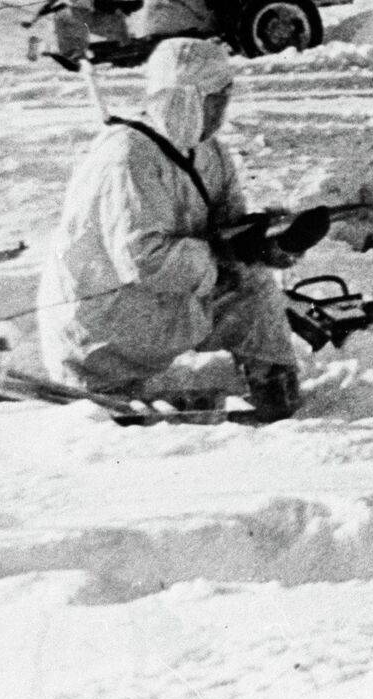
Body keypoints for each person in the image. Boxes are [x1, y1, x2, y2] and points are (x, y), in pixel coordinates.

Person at [37, 38, 305, 421]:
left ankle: (274, 391)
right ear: (186, 99)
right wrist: (224, 254)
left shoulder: (210, 151)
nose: (222, 114)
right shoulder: (128, 158)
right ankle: (110, 388)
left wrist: (264, 239)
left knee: (254, 284)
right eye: (216, 101)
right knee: (242, 283)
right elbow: (144, 260)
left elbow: (229, 227)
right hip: (104, 324)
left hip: (153, 305)